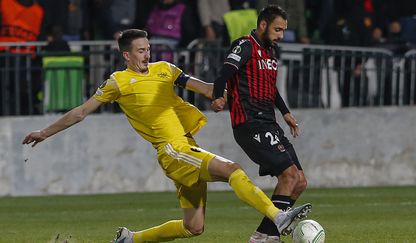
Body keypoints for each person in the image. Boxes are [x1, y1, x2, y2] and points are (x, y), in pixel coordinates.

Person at [21, 29, 311, 243]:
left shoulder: (166, 70)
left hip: (187, 147)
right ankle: (277, 216)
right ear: (126, 55)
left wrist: (235, 81)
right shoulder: (118, 82)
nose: (147, 54)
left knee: (193, 227)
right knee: (232, 170)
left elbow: (209, 89)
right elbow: (81, 112)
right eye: (140, 50)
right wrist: (45, 132)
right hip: (172, 150)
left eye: (148, 49)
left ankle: (130, 239)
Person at [210, 5, 310, 243]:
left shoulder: (272, 51)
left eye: (284, 30)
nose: (281, 35)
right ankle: (269, 237)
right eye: (277, 29)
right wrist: (217, 96)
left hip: (270, 123)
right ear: (263, 25)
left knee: (300, 181)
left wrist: (285, 112)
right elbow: (224, 73)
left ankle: (262, 235)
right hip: (250, 123)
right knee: (288, 176)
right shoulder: (244, 45)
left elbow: (269, 86)